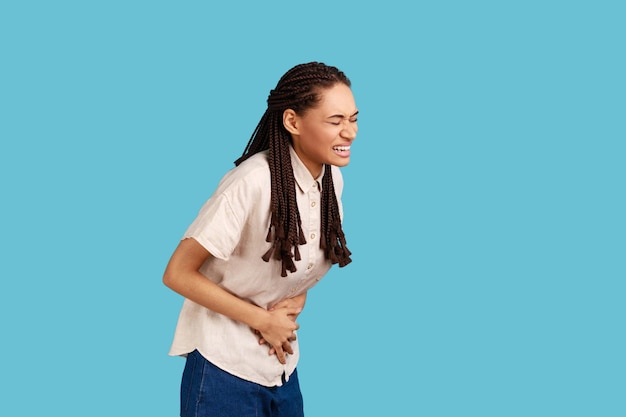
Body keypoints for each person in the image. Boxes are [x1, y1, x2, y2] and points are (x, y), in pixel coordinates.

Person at [163, 61, 358, 417]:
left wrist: (296, 297)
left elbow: (306, 259)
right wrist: (263, 320)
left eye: (353, 119)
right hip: (223, 370)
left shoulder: (330, 182)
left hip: (280, 366)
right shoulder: (250, 182)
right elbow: (177, 273)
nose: (350, 133)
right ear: (292, 122)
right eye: (335, 121)